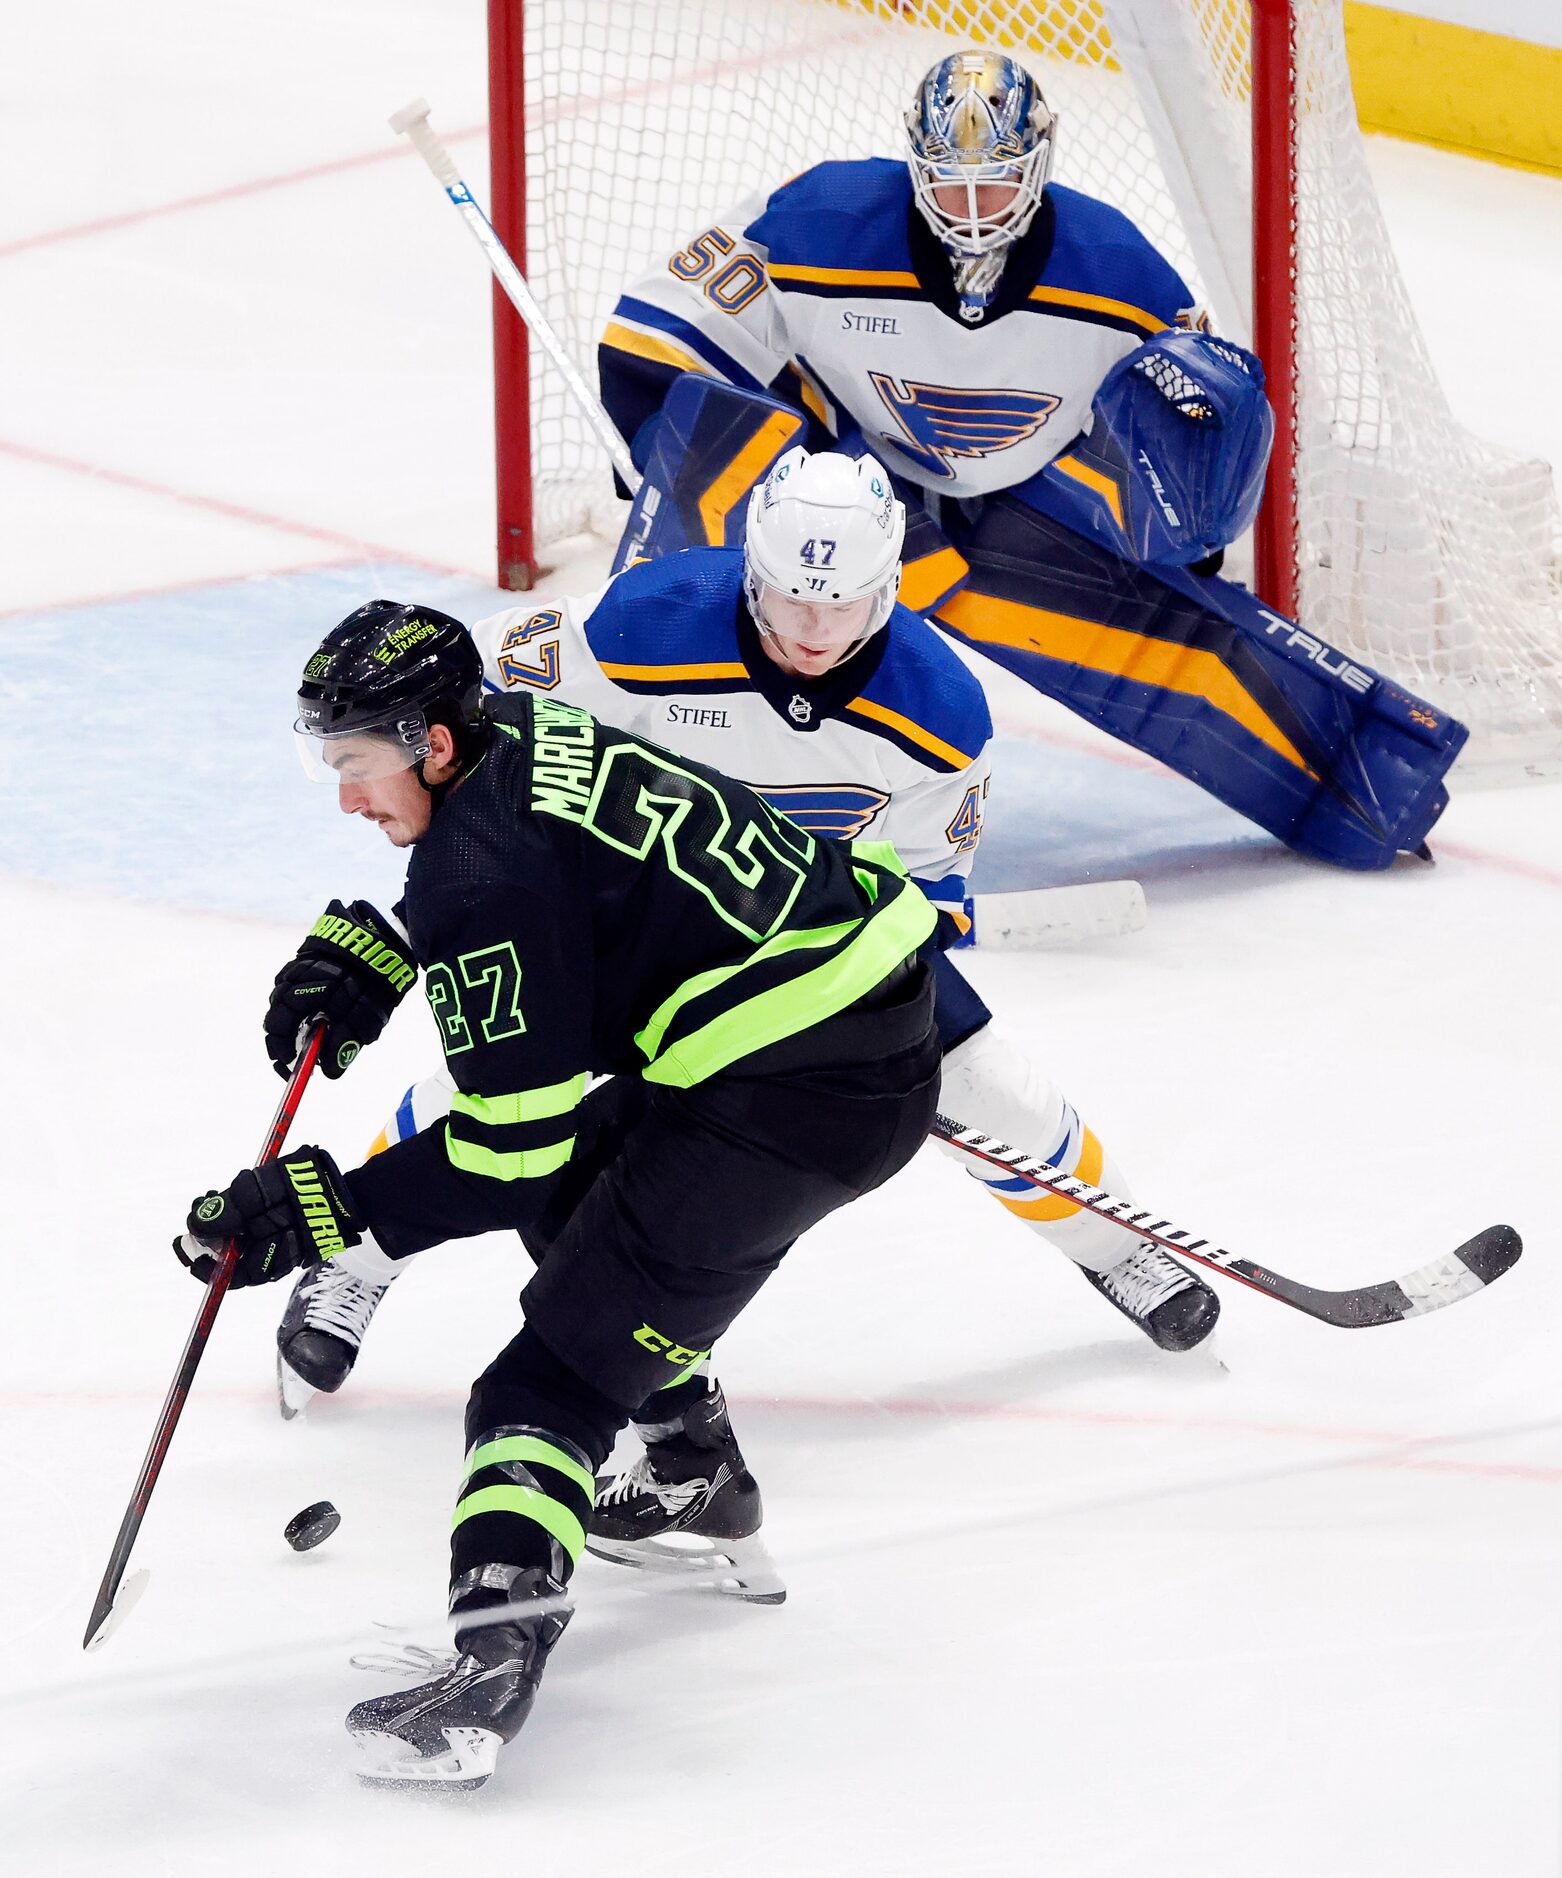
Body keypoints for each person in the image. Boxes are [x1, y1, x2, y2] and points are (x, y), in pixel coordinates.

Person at [271, 449, 1219, 1596]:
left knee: (992, 1090)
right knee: (510, 1082)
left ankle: (1115, 1248)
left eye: (844, 607)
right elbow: (484, 748)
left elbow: (924, 890)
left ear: (893, 589)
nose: (813, 633)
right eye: (786, 601)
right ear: (745, 575)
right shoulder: (645, 618)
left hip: (817, 944)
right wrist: (426, 933)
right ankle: (356, 1259)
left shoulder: (941, 708)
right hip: (641, 918)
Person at [175, 597, 941, 1788]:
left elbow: (500, 1144)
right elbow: (578, 913)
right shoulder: (524, 732)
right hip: (839, 1025)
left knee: (542, 1384)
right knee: (579, 1203)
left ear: (433, 743)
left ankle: (490, 1667)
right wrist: (392, 955)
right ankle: (690, 1469)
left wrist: (319, 1210)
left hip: (793, 1096)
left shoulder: (473, 871)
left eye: (359, 765)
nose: (346, 797)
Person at [596, 49, 1465, 873]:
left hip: (1017, 496)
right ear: (914, 165)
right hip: (844, 471)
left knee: (1181, 645)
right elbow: (647, 351)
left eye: (997, 182)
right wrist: (682, 458)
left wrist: (1174, 532)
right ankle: (621, 761)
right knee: (703, 454)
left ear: (1040, 162)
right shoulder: (818, 220)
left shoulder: (1119, 273)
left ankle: (1370, 782)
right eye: (951, 184)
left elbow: (1191, 453)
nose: (972, 212)